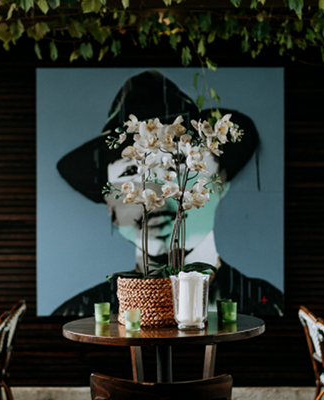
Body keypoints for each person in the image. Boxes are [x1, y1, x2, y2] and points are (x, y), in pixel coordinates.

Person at [54, 70, 283, 317]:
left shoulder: (269, 307)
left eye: (177, 163)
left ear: (220, 181)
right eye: (132, 170)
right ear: (109, 201)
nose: (155, 191)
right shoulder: (81, 314)